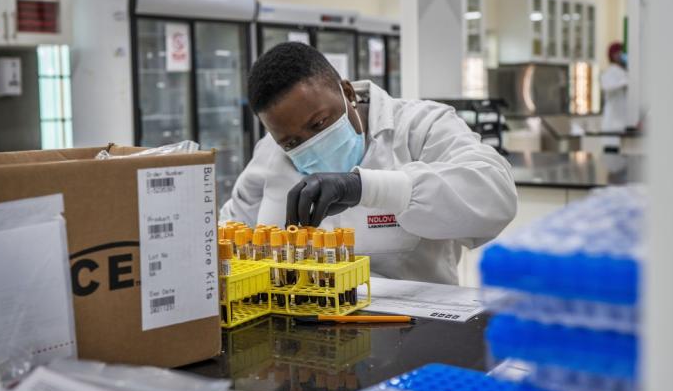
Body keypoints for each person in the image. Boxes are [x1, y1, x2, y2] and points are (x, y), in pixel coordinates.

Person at [221, 42, 517, 284]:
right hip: (301, 332)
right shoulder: (269, 155)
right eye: (291, 143)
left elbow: (496, 196)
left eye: (319, 123)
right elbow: (228, 235)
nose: (309, 144)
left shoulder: (420, 127)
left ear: (348, 93)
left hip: (411, 333)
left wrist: (364, 188)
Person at [600, 42, 629, 154]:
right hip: (612, 123)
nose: (622, 55)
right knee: (612, 155)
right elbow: (607, 87)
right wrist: (624, 82)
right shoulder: (609, 72)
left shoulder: (624, 71)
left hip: (622, 121)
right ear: (613, 55)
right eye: (619, 52)